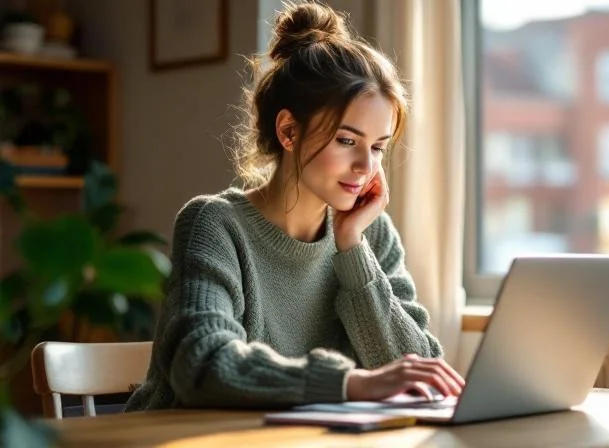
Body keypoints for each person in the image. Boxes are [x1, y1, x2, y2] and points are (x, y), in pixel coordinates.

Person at [125, 1, 465, 411]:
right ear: (288, 131)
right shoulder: (214, 224)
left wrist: (352, 249)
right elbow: (202, 365)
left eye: (378, 147)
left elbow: (422, 373)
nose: (365, 166)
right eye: (346, 140)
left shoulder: (370, 234)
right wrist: (348, 383)